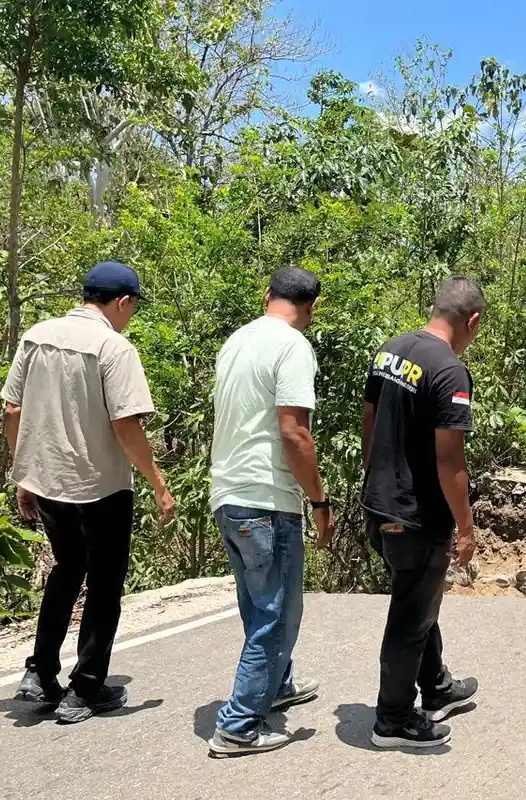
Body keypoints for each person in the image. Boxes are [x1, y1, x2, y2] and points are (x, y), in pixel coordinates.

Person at [4, 261, 176, 723]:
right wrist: (158, 483)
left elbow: (13, 409)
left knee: (66, 569)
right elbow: (126, 425)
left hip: (48, 482)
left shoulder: (36, 336)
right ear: (122, 302)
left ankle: (40, 672)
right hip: (101, 487)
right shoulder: (113, 348)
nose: (131, 315)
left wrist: (24, 474)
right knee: (103, 584)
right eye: (133, 306)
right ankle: (86, 688)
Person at [207, 265, 336, 757]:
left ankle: (276, 685)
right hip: (267, 500)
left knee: (259, 606)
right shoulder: (293, 346)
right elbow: (293, 432)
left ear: (267, 296)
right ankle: (238, 725)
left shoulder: (236, 341)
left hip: (229, 495)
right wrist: (319, 501)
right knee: (276, 615)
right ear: (312, 307)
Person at [360, 276, 484, 749]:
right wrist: (466, 526)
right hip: (416, 515)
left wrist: (374, 480)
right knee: (410, 614)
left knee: (419, 598)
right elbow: (449, 458)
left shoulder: (391, 349)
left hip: (379, 503)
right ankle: (392, 720)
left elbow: (369, 418)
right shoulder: (450, 372)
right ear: (471, 321)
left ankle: (434, 688)